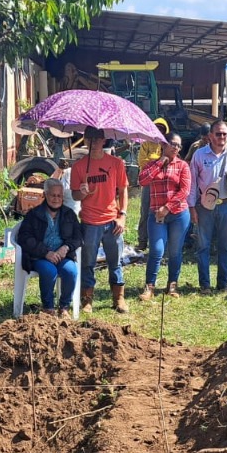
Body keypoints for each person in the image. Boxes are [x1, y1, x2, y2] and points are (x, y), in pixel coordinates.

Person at [70, 125, 129, 314]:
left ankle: (118, 298)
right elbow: (75, 195)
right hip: (89, 222)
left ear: (104, 141)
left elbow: (123, 190)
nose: (93, 143)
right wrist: (82, 191)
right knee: (88, 262)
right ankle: (87, 299)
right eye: (90, 139)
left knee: (115, 261)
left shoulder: (116, 163)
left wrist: (122, 216)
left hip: (112, 220)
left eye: (97, 139)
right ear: (85, 140)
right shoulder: (78, 166)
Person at [188, 119, 227, 292]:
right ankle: (205, 285)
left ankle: (223, 284)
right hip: (205, 207)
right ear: (210, 136)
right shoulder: (199, 155)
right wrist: (192, 208)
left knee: (225, 246)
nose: (222, 137)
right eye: (218, 134)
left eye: (225, 134)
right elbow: (192, 183)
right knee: (203, 246)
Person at [15, 178, 82, 316]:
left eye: (59, 195)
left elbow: (78, 238)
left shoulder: (69, 214)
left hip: (63, 255)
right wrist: (45, 252)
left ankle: (64, 307)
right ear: (45, 195)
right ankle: (48, 308)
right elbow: (24, 238)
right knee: (49, 271)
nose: (56, 199)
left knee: (71, 271)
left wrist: (66, 248)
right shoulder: (34, 214)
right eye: (53, 195)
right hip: (40, 256)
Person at [137, 134, 192, 300]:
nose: (176, 148)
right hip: (156, 215)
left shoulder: (182, 166)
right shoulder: (152, 164)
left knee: (175, 251)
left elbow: (184, 191)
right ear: (163, 144)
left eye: (179, 146)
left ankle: (172, 285)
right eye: (173, 144)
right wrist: (160, 163)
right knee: (156, 250)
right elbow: (142, 180)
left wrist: (167, 208)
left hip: (178, 214)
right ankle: (149, 287)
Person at [136, 117, 170, 252]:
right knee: (145, 211)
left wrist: (153, 162)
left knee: (163, 211)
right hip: (148, 183)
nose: (159, 130)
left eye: (162, 129)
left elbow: (170, 161)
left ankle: (158, 242)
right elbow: (142, 162)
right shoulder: (146, 143)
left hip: (163, 183)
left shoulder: (167, 144)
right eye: (157, 127)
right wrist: (160, 161)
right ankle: (142, 241)